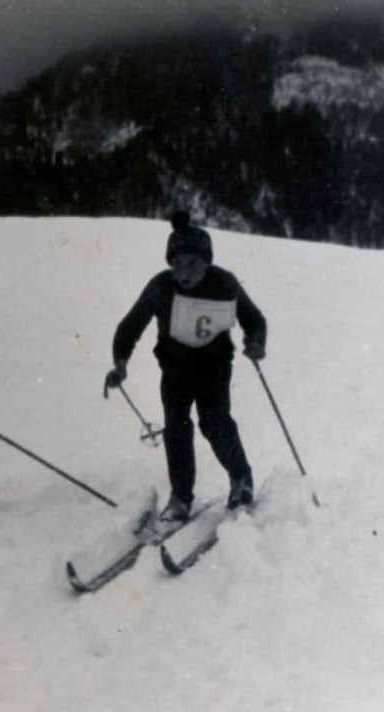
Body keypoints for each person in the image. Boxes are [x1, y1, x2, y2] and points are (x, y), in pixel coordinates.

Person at [105, 211, 267, 522]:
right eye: (176, 263)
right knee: (175, 427)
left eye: (192, 263)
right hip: (176, 366)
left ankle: (241, 478)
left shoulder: (225, 283)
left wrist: (256, 342)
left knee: (214, 421)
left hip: (214, 364)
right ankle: (180, 497)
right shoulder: (162, 287)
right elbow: (130, 326)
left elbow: (253, 319)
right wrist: (121, 363)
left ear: (207, 262)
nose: (183, 272)